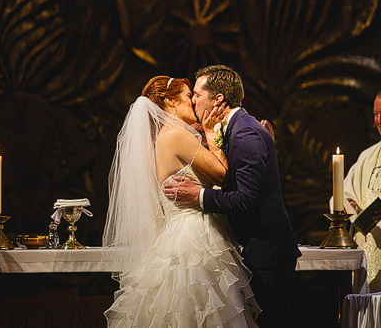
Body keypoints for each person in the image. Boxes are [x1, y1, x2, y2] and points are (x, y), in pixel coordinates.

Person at [103, 75, 260, 328]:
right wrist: (210, 132)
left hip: (178, 233)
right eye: (189, 96)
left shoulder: (163, 137)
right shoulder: (176, 134)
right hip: (194, 236)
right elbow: (223, 175)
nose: (193, 103)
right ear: (170, 101)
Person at [163, 65, 300, 328]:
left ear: (218, 100)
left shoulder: (245, 132)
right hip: (257, 250)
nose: (193, 100)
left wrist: (198, 196)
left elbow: (247, 200)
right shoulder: (236, 130)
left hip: (266, 254)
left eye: (197, 94)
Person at [336, 90, 381, 291]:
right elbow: (342, 194)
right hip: (366, 247)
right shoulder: (368, 156)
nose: (378, 120)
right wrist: (348, 206)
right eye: (375, 114)